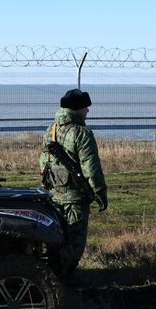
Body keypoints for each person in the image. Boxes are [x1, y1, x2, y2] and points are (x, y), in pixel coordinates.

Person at [39, 89, 108, 277]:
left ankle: (53, 277)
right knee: (75, 242)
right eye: (85, 107)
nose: (87, 111)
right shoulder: (82, 133)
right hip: (75, 198)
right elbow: (91, 167)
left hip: (54, 196)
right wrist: (100, 192)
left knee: (56, 240)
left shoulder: (50, 130)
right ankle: (65, 281)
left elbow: (43, 162)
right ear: (77, 109)